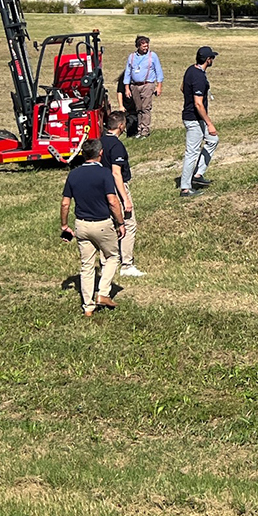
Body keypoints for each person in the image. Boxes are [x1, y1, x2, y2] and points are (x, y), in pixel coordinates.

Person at [59, 138, 126, 316]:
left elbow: (65, 204)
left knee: (86, 266)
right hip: (102, 224)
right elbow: (112, 202)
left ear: (82, 153)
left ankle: (88, 307)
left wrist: (64, 225)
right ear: (100, 153)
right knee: (112, 256)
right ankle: (103, 293)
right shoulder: (104, 174)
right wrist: (121, 223)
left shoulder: (73, 174)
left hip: (81, 225)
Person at [101, 112, 144, 278]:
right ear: (121, 126)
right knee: (129, 223)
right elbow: (116, 173)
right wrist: (125, 198)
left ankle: (106, 261)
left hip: (101, 188)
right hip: (116, 189)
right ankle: (126, 264)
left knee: (108, 224)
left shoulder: (99, 141)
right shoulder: (116, 146)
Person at [180, 47, 219, 196]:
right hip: (194, 120)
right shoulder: (199, 78)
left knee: (213, 140)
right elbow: (198, 104)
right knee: (192, 152)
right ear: (208, 60)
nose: (213, 60)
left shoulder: (191, 69)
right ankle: (185, 188)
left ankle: (198, 175)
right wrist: (209, 123)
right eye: (212, 58)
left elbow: (182, 87)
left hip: (195, 118)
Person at [123, 36, 163, 139]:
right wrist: (127, 88)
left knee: (146, 108)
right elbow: (127, 73)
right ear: (138, 46)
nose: (146, 47)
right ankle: (139, 130)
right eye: (143, 45)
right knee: (138, 108)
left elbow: (159, 71)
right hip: (135, 86)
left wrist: (159, 86)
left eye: (147, 45)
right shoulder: (131, 57)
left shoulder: (152, 56)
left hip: (147, 84)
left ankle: (145, 131)